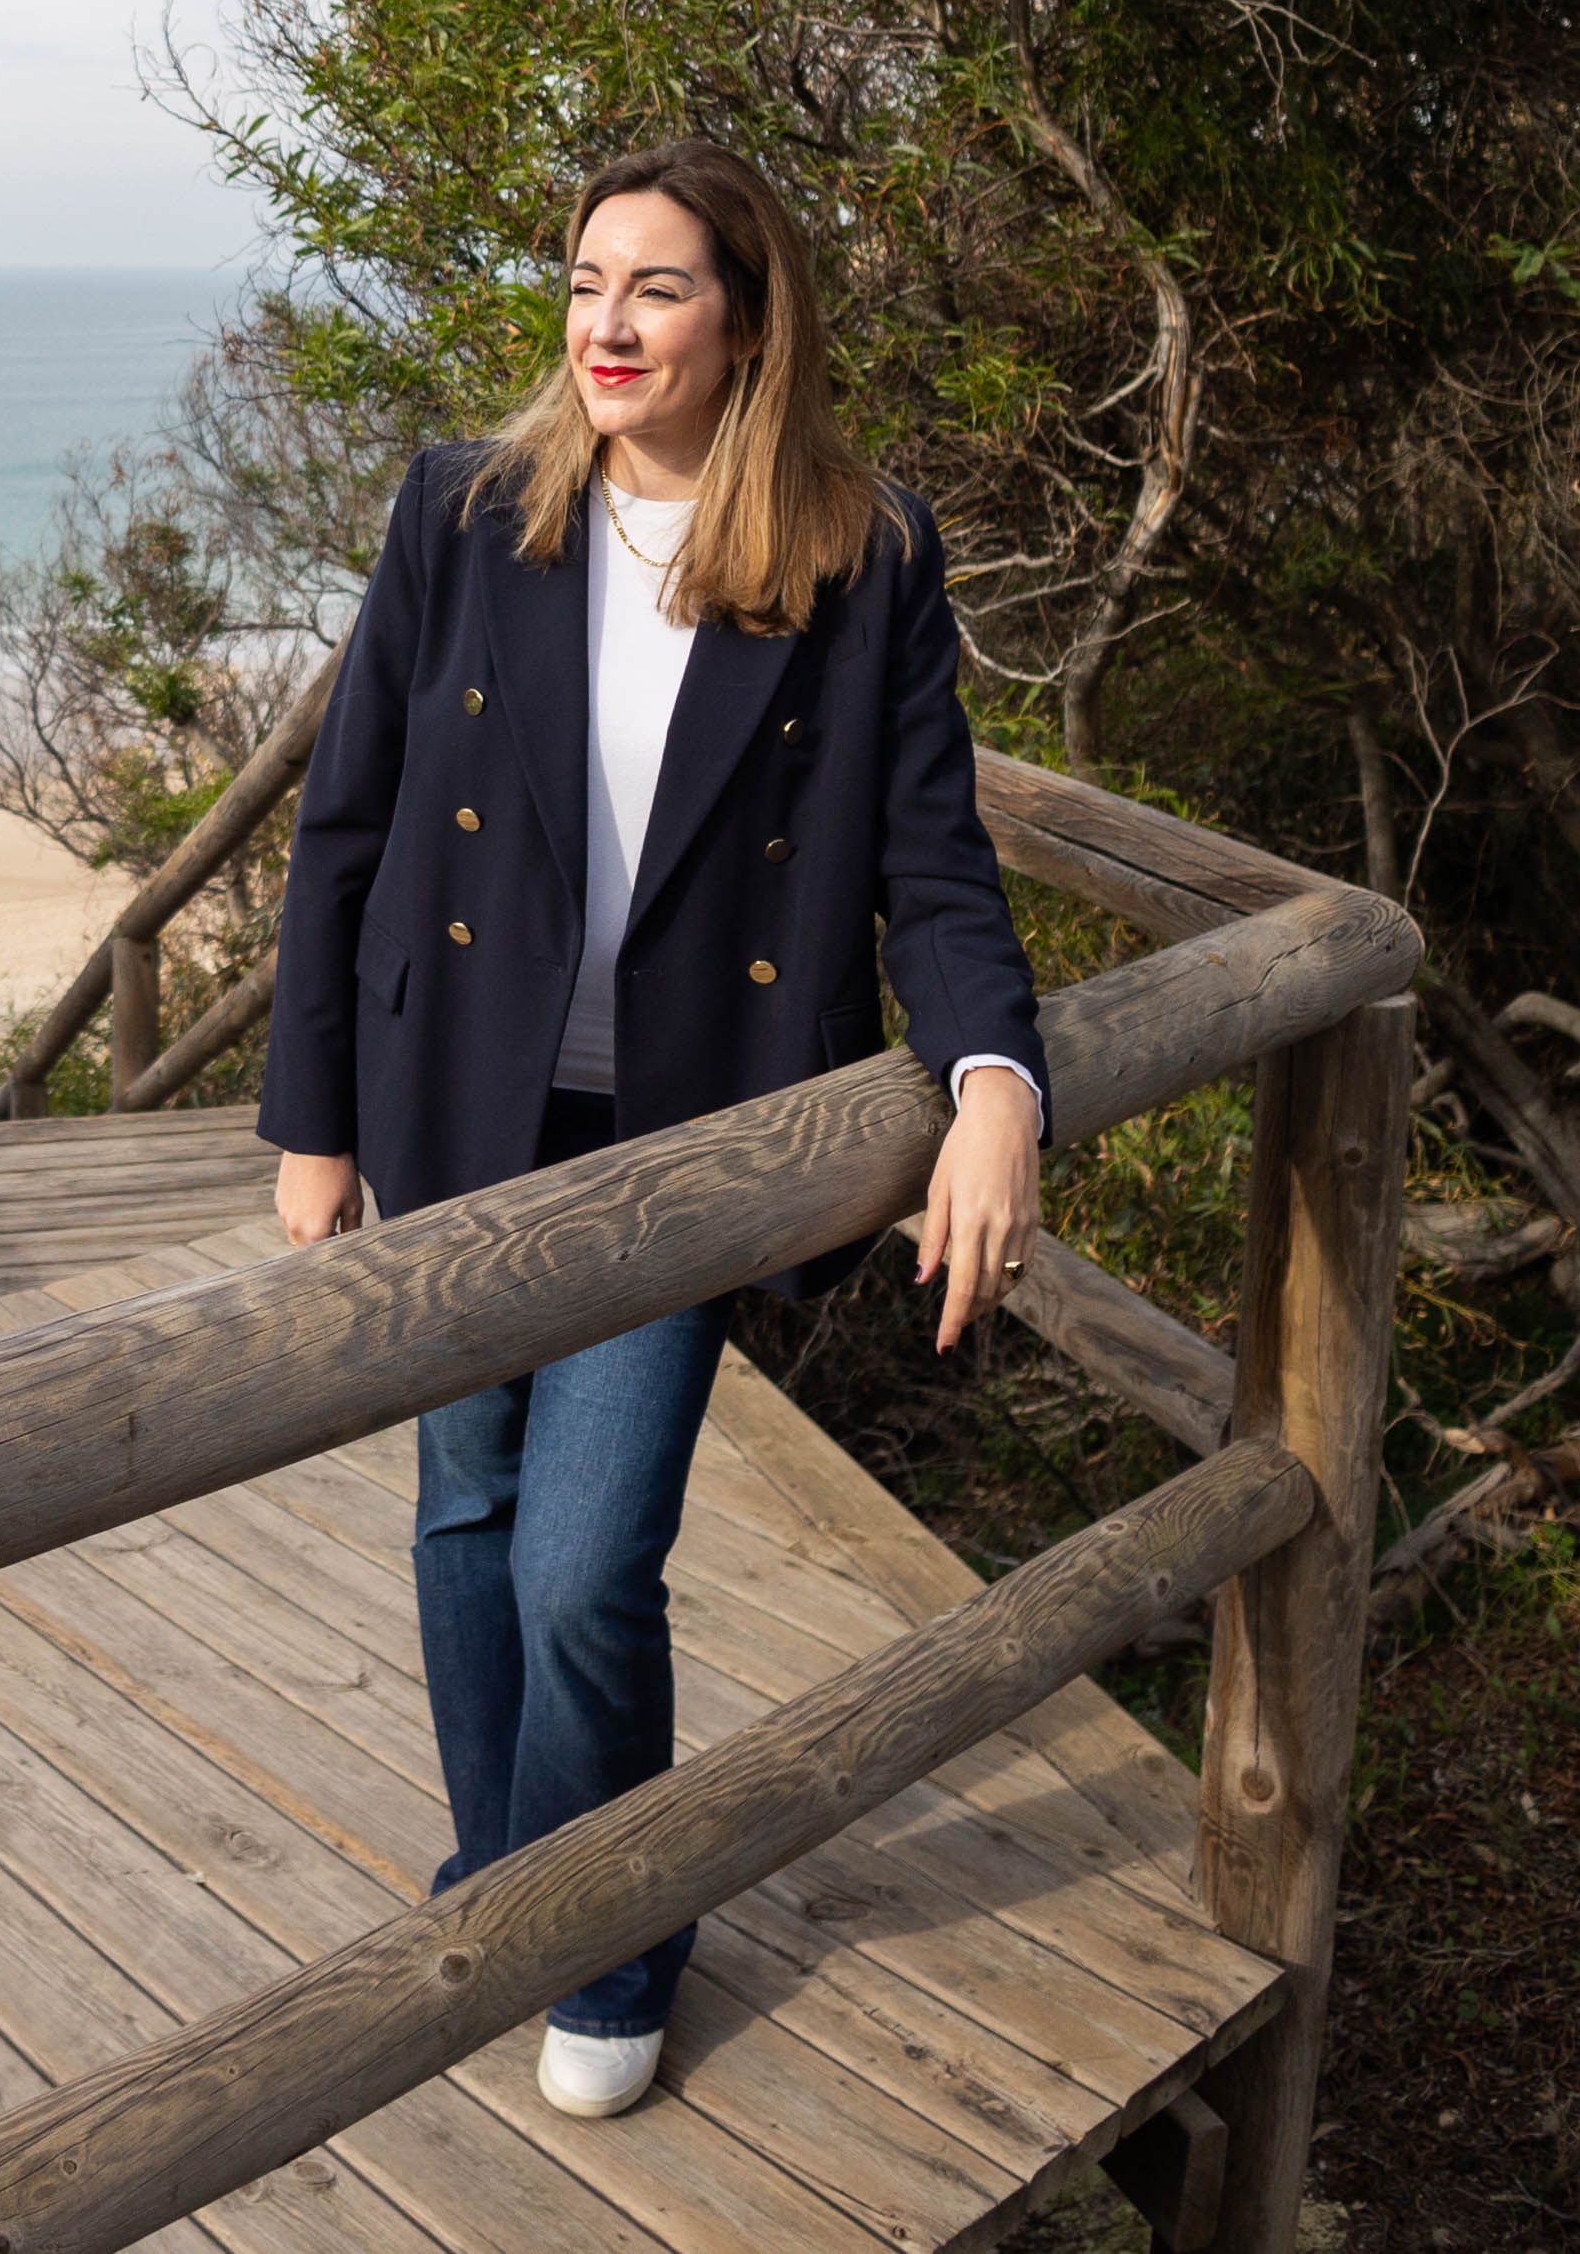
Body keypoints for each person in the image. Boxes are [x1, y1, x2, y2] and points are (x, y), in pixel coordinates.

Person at [255, 137, 1048, 2121]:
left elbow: (931, 865)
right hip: (454, 1101)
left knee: (581, 1561)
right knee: (461, 1512)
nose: (602, 324)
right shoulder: (463, 511)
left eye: (656, 288)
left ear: (745, 318)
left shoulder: (858, 551)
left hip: (685, 1140)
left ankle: (607, 1927)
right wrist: (311, 1119)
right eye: (585, 281)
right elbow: (345, 822)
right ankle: (501, 1879)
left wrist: (995, 1082)